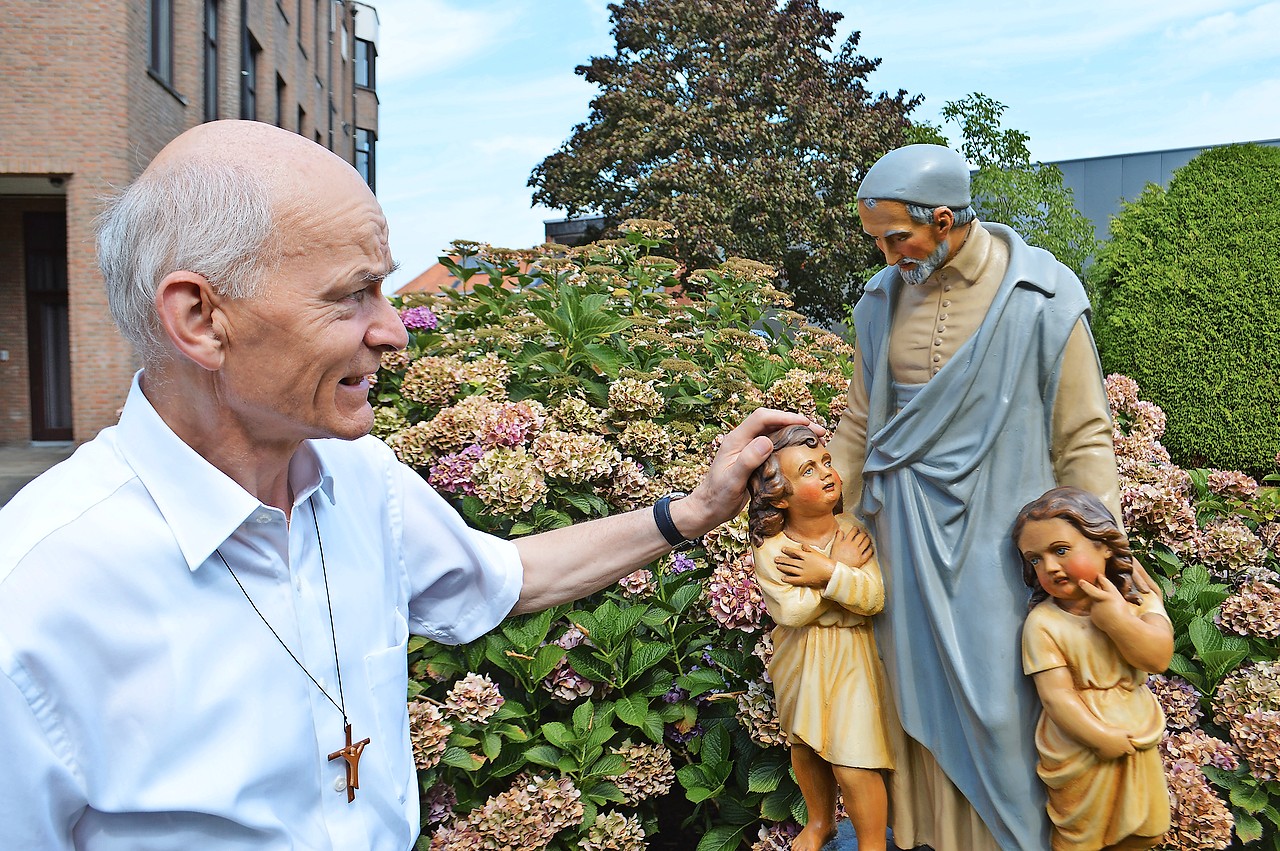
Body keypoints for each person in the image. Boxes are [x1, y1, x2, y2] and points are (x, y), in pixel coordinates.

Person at [0, 120, 818, 850]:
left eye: (384, 288)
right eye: (352, 295)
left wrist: (696, 510)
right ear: (201, 319)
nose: (392, 330)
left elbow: (506, 576)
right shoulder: (36, 595)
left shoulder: (360, 477)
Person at [827, 143, 1126, 850]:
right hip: (901, 534)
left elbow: (1084, 434)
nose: (886, 251)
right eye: (877, 238)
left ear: (944, 217)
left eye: (896, 235)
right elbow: (861, 421)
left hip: (1006, 543)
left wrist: (1103, 554)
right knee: (907, 704)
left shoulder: (1044, 295)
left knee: (1004, 705)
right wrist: (823, 516)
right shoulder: (881, 298)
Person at [746, 425, 893, 851]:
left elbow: (873, 598)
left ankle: (871, 843)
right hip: (799, 658)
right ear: (780, 496)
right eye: (808, 470)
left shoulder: (853, 532)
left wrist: (827, 573)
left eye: (827, 462)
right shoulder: (772, 547)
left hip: (853, 656)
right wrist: (837, 573)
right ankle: (820, 822)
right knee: (805, 745)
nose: (827, 472)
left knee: (854, 758)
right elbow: (789, 611)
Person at [1013, 486, 1172, 850]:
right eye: (1035, 560)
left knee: (1147, 831)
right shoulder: (1043, 624)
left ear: (1104, 544)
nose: (1049, 567)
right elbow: (1057, 698)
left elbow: (1158, 657)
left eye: (1061, 550)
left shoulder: (1139, 600)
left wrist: (1116, 620)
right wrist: (1099, 737)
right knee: (1081, 836)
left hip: (1136, 732)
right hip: (1079, 746)